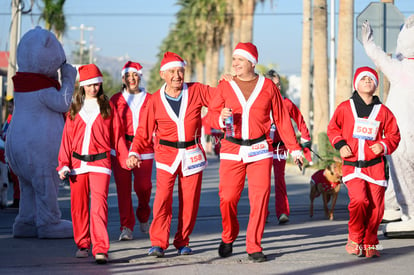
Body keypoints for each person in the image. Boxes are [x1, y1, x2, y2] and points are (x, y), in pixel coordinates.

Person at [207, 42, 303, 262]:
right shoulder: (225, 85)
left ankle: (254, 245)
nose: (234, 63)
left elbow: (281, 119)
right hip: (232, 148)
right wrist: (219, 117)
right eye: (233, 60)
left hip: (260, 149)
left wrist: (295, 149)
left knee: (259, 198)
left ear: (251, 62)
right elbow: (211, 114)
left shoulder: (268, 86)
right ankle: (229, 235)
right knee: (228, 197)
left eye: (239, 60)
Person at [126, 52, 215, 257]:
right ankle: (158, 242)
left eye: (180, 71)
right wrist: (134, 152)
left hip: (192, 154)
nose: (177, 75)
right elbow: (143, 132)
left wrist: (229, 81)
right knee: (163, 199)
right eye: (173, 71)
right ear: (162, 74)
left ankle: (183, 241)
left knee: (190, 201)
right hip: (166, 155)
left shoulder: (197, 90)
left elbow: (220, 97)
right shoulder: (154, 100)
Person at [57, 64, 129, 264]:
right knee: (78, 207)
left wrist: (126, 158)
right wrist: (63, 163)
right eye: (89, 85)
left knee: (99, 207)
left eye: (97, 84)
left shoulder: (108, 107)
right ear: (83, 86)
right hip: (77, 164)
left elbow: (118, 135)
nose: (94, 88)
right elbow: (67, 139)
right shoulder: (74, 108)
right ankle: (82, 243)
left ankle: (100, 248)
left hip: (101, 163)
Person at [327, 66, 401, 258]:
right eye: (363, 78)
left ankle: (370, 242)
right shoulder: (345, 108)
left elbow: (394, 134)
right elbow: (333, 129)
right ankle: (354, 238)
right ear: (356, 84)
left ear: (376, 85)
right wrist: (341, 144)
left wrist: (383, 145)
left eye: (371, 79)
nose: (367, 81)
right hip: (353, 167)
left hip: (375, 168)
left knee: (376, 208)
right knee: (360, 200)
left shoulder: (383, 111)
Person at [362, 17, 414, 237]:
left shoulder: (400, 68)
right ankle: (393, 206)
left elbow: (378, 56)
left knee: (402, 172)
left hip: (402, 134)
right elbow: (381, 58)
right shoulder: (400, 67)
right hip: (400, 133)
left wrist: (369, 43)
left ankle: (410, 215)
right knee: (398, 173)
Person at [110, 61, 154, 241]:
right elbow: (112, 127)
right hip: (121, 148)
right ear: (123, 78)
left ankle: (143, 214)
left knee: (143, 186)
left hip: (144, 148)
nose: (132, 78)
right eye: (128, 76)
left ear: (140, 76)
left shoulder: (150, 99)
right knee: (123, 189)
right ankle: (126, 226)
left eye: (135, 75)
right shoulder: (115, 100)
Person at [265, 70, 312, 224]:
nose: (277, 88)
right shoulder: (259, 104)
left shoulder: (286, 103)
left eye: (279, 85)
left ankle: (283, 212)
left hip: (280, 148)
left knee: (279, 180)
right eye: (274, 85)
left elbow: (299, 119)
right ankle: (261, 213)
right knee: (262, 182)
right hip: (262, 148)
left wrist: (305, 139)